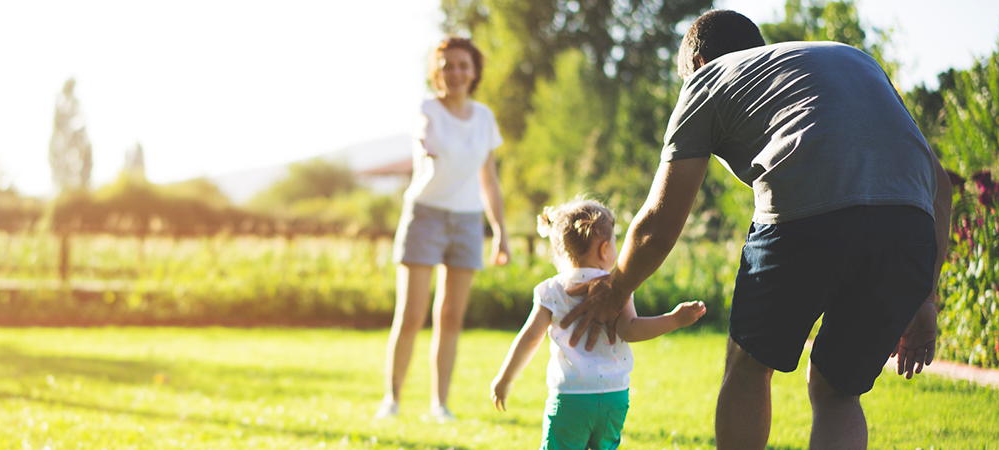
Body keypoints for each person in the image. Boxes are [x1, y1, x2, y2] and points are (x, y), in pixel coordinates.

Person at [555, 10, 952, 450]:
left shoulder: (706, 81)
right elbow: (942, 190)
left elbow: (660, 222)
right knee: (838, 390)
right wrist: (925, 297)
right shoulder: (853, 59)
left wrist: (617, 289)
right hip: (909, 225)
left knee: (747, 366)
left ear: (698, 62)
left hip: (807, 218)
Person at [490, 196, 706, 449]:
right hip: (613, 395)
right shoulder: (618, 288)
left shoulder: (551, 290)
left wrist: (505, 378)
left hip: (570, 396)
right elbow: (630, 329)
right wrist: (673, 319)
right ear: (604, 249)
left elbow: (530, 338)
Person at [375, 37, 511, 421]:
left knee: (451, 316)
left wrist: (500, 230)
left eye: (462, 65)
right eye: (447, 65)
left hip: (468, 222)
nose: (455, 72)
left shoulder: (484, 117)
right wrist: (426, 142)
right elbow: (423, 133)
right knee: (412, 314)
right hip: (426, 216)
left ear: (474, 72)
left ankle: (440, 405)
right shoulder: (428, 109)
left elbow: (490, 181)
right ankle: (393, 399)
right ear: (437, 73)